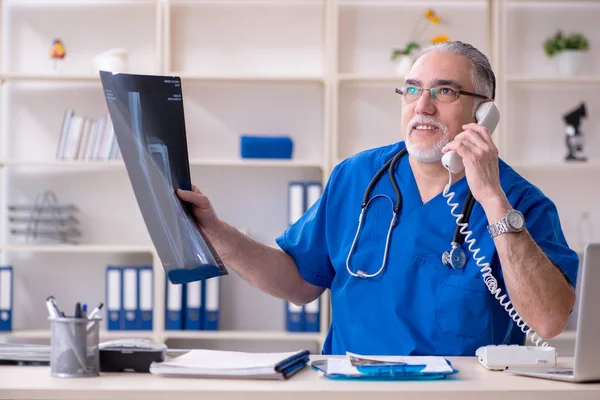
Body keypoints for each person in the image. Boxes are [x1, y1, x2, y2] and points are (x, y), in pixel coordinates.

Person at [177, 41, 579, 357]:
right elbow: (298, 283)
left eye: (444, 91)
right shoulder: (356, 177)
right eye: (411, 90)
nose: (422, 105)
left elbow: (548, 321)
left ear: (483, 114)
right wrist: (217, 234)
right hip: (352, 387)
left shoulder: (521, 202)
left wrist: (491, 197)